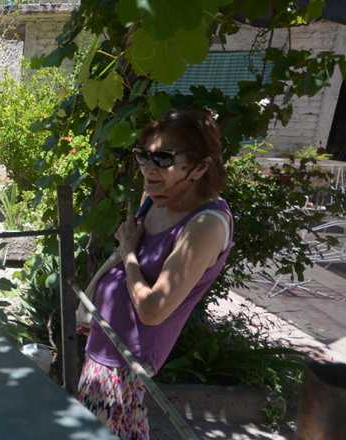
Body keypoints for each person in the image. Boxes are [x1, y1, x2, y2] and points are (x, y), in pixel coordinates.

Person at [76, 109, 234, 440]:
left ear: (200, 167)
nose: (148, 169)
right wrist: (92, 300)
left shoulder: (205, 225)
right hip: (105, 343)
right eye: (143, 156)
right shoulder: (155, 197)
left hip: (126, 362)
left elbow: (152, 310)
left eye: (163, 159)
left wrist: (130, 251)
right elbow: (123, 253)